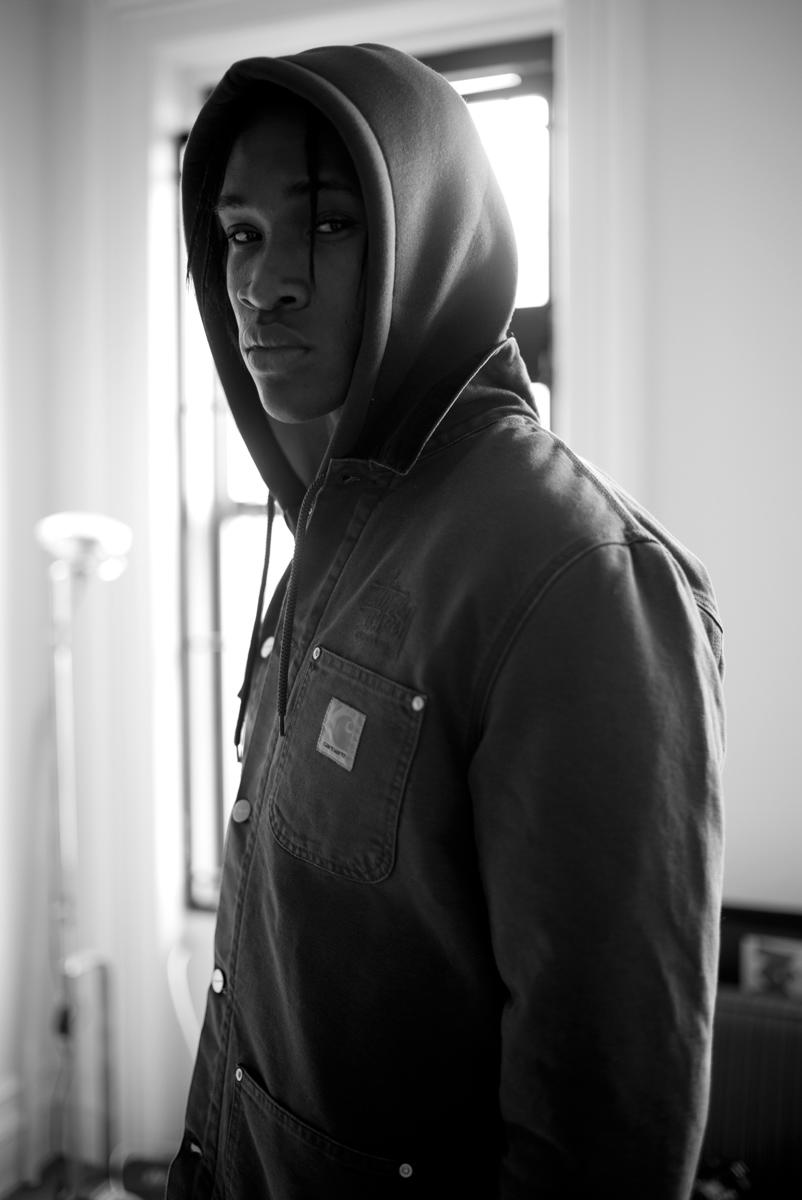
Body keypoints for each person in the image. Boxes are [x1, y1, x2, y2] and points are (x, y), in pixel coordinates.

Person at [167, 43, 725, 1200]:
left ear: (426, 236)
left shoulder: (579, 578)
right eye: (240, 234)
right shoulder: (332, 539)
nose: (262, 283)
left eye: (326, 224)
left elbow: (603, 1128)